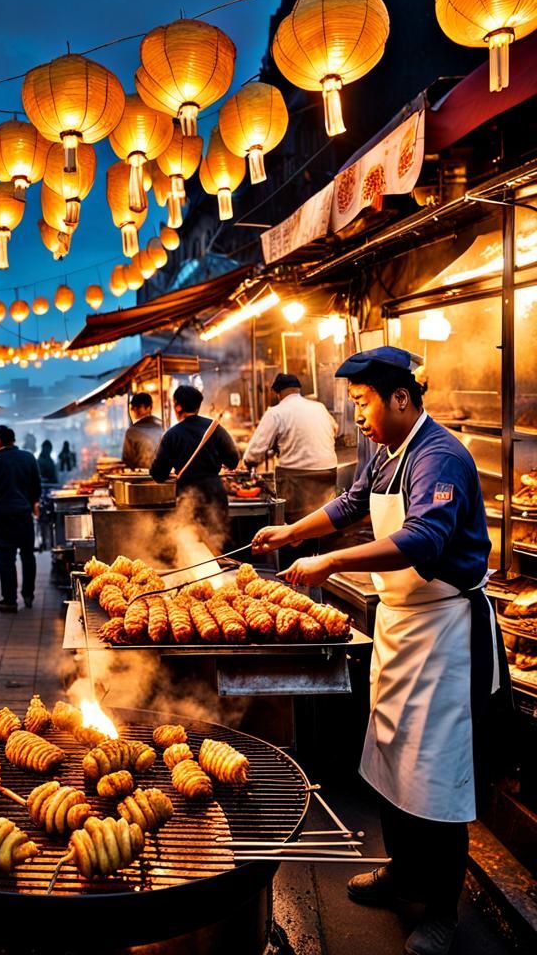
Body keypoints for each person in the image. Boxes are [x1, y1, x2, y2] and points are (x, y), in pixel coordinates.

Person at [251, 347, 509, 955]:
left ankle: (442, 911)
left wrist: (331, 560)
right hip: (401, 628)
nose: (358, 416)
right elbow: (349, 505)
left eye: (364, 403)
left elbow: (423, 538)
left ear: (401, 398)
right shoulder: (386, 453)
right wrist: (292, 532)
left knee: (438, 780)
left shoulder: (439, 455)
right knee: (393, 762)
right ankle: (402, 873)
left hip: (445, 635)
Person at [243, 373, 339, 561]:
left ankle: (294, 577)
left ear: (278, 393)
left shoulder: (276, 412)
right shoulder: (319, 407)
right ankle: (323, 569)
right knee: (322, 527)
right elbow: (334, 430)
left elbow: (253, 452)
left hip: (297, 481)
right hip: (328, 474)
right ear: (298, 389)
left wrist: (250, 464)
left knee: (294, 534)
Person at [150, 385, 240, 530]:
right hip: (215, 494)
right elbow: (233, 460)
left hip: (187, 497)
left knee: (192, 544)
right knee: (218, 542)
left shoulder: (172, 435)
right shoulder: (215, 428)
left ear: (178, 407)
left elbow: (158, 474)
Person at [0, 424, 41, 613]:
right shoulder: (28, 458)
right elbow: (36, 485)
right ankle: (28, 595)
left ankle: (10, 600)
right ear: (13, 440)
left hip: (2, 515)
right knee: (28, 555)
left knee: (6, 557)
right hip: (23, 514)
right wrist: (34, 502)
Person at [121, 392, 163, 469]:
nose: (134, 409)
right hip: (162, 476)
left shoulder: (132, 431)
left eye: (138, 407)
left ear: (148, 407)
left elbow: (127, 460)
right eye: (134, 407)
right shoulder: (163, 427)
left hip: (139, 477)